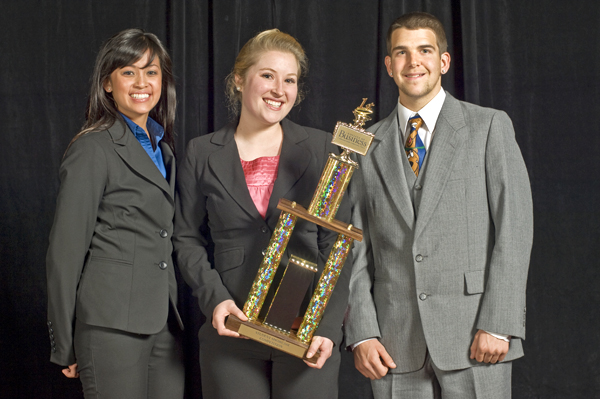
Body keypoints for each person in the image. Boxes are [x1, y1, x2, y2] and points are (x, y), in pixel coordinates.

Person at [344, 12, 533, 399]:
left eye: (425, 50)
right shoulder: (363, 143)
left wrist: (499, 323)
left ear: (443, 61)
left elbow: (515, 229)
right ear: (389, 65)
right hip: (393, 345)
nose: (414, 62)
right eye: (402, 52)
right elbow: (354, 246)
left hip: (476, 336)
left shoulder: (489, 127)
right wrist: (361, 330)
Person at [173, 29, 351, 398]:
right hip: (231, 330)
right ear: (239, 80)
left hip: (307, 330)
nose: (279, 89)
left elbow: (339, 243)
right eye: (267, 75)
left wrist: (328, 328)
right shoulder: (201, 152)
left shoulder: (321, 147)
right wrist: (215, 299)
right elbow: (186, 238)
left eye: (290, 80)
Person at [46, 28, 184, 398]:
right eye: (128, 71)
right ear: (108, 83)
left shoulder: (164, 152)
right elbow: (65, 253)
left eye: (151, 71)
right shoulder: (93, 148)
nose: (142, 82)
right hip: (109, 326)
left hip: (163, 324)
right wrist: (64, 343)